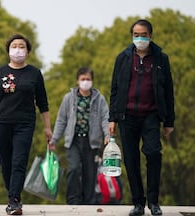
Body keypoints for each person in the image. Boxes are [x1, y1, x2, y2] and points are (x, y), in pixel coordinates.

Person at [0, 34, 52, 215]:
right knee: (5, 163)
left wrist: (47, 127)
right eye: (14, 46)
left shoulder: (34, 74)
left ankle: (14, 200)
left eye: (21, 46)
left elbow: (43, 103)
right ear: (8, 50)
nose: (18, 49)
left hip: (25, 124)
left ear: (28, 51)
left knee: (19, 161)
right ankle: (13, 194)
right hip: (2, 124)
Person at [108, 19, 175, 216]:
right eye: (136, 34)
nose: (140, 38)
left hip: (151, 115)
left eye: (143, 34)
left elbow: (169, 91)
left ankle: (153, 202)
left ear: (150, 36)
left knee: (154, 153)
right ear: (132, 36)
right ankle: (138, 202)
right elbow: (115, 89)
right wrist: (112, 118)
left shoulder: (161, 58)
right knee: (131, 159)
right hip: (126, 116)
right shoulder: (123, 58)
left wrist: (169, 121)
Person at [49, 67, 109, 205]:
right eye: (83, 79)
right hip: (73, 140)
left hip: (91, 141)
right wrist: (54, 140)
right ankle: (73, 200)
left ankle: (89, 201)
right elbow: (61, 120)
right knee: (74, 168)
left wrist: (107, 134)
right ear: (77, 81)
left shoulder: (99, 99)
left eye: (88, 79)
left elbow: (105, 118)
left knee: (90, 172)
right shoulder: (69, 98)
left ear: (92, 81)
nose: (85, 82)